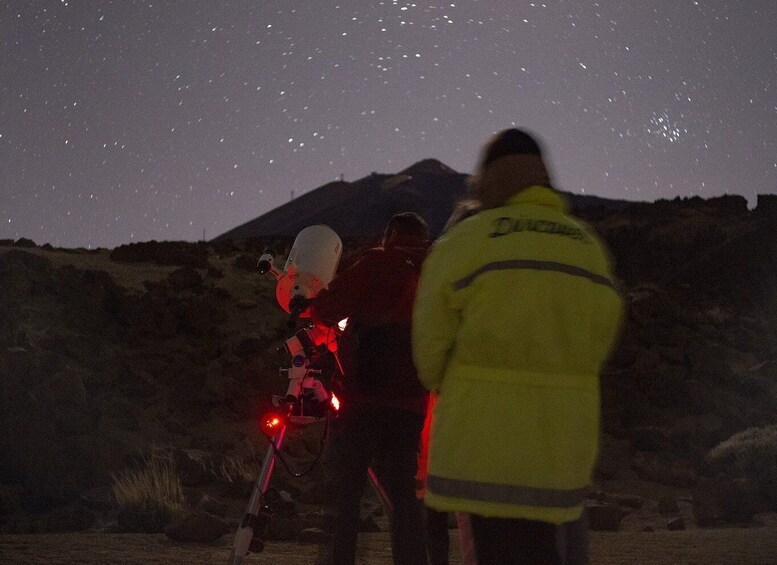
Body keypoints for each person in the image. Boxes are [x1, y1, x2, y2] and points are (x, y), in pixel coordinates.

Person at [412, 129, 623, 564]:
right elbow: (600, 339)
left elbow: (429, 350)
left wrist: (456, 384)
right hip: (563, 447)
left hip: (483, 449)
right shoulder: (587, 246)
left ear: (488, 178)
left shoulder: (464, 243)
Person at [309, 212, 431, 565]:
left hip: (362, 401)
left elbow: (328, 308)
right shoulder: (436, 271)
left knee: (347, 496)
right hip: (411, 405)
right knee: (405, 499)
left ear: (391, 235)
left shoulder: (378, 262)